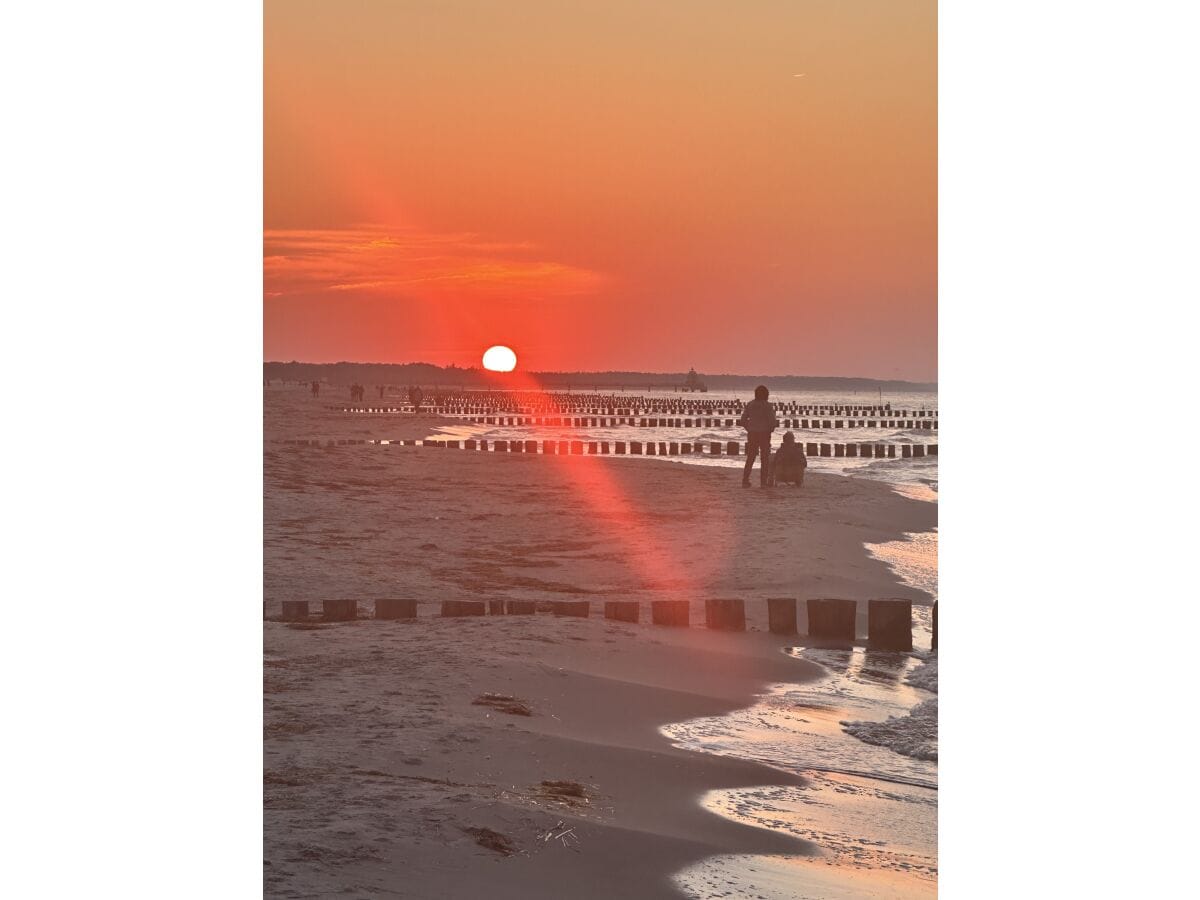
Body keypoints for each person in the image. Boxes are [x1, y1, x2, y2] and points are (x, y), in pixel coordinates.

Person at [737, 385, 779, 487]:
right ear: (766, 394)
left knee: (750, 457)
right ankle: (763, 483)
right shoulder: (768, 406)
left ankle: (745, 480)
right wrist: (770, 430)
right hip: (764, 434)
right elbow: (772, 422)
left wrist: (749, 428)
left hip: (752, 434)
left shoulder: (750, 404)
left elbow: (743, 421)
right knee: (764, 458)